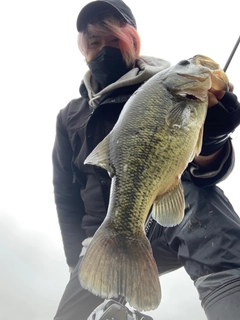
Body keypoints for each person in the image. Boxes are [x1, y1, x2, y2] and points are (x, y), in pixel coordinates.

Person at [52, 1, 240, 319]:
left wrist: (214, 138)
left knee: (204, 209)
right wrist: (77, 261)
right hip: (106, 233)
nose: (104, 50)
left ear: (134, 39)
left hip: (176, 214)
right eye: (94, 43)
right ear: (83, 50)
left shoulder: (166, 88)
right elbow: (65, 194)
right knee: (74, 312)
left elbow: (205, 169)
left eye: (113, 39)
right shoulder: (70, 115)